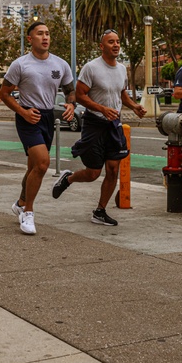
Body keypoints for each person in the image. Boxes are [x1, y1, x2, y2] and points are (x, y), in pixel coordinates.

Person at [52, 30, 147, 226]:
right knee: (93, 172)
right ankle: (68, 178)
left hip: (114, 124)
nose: (116, 45)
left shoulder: (121, 69)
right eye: (111, 42)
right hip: (94, 123)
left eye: (118, 41)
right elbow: (80, 95)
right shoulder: (91, 68)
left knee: (113, 170)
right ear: (101, 46)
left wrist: (134, 106)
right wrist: (102, 108)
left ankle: (100, 210)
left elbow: (122, 94)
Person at [0, 22, 75, 235]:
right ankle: (28, 212)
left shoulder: (60, 64)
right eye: (40, 33)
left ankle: (21, 202)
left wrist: (71, 103)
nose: (45, 37)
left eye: (48, 34)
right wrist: (22, 112)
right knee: (42, 164)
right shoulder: (20, 64)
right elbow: (3, 94)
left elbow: (70, 90)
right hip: (27, 117)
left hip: (47, 116)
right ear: (30, 38)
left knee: (33, 167)